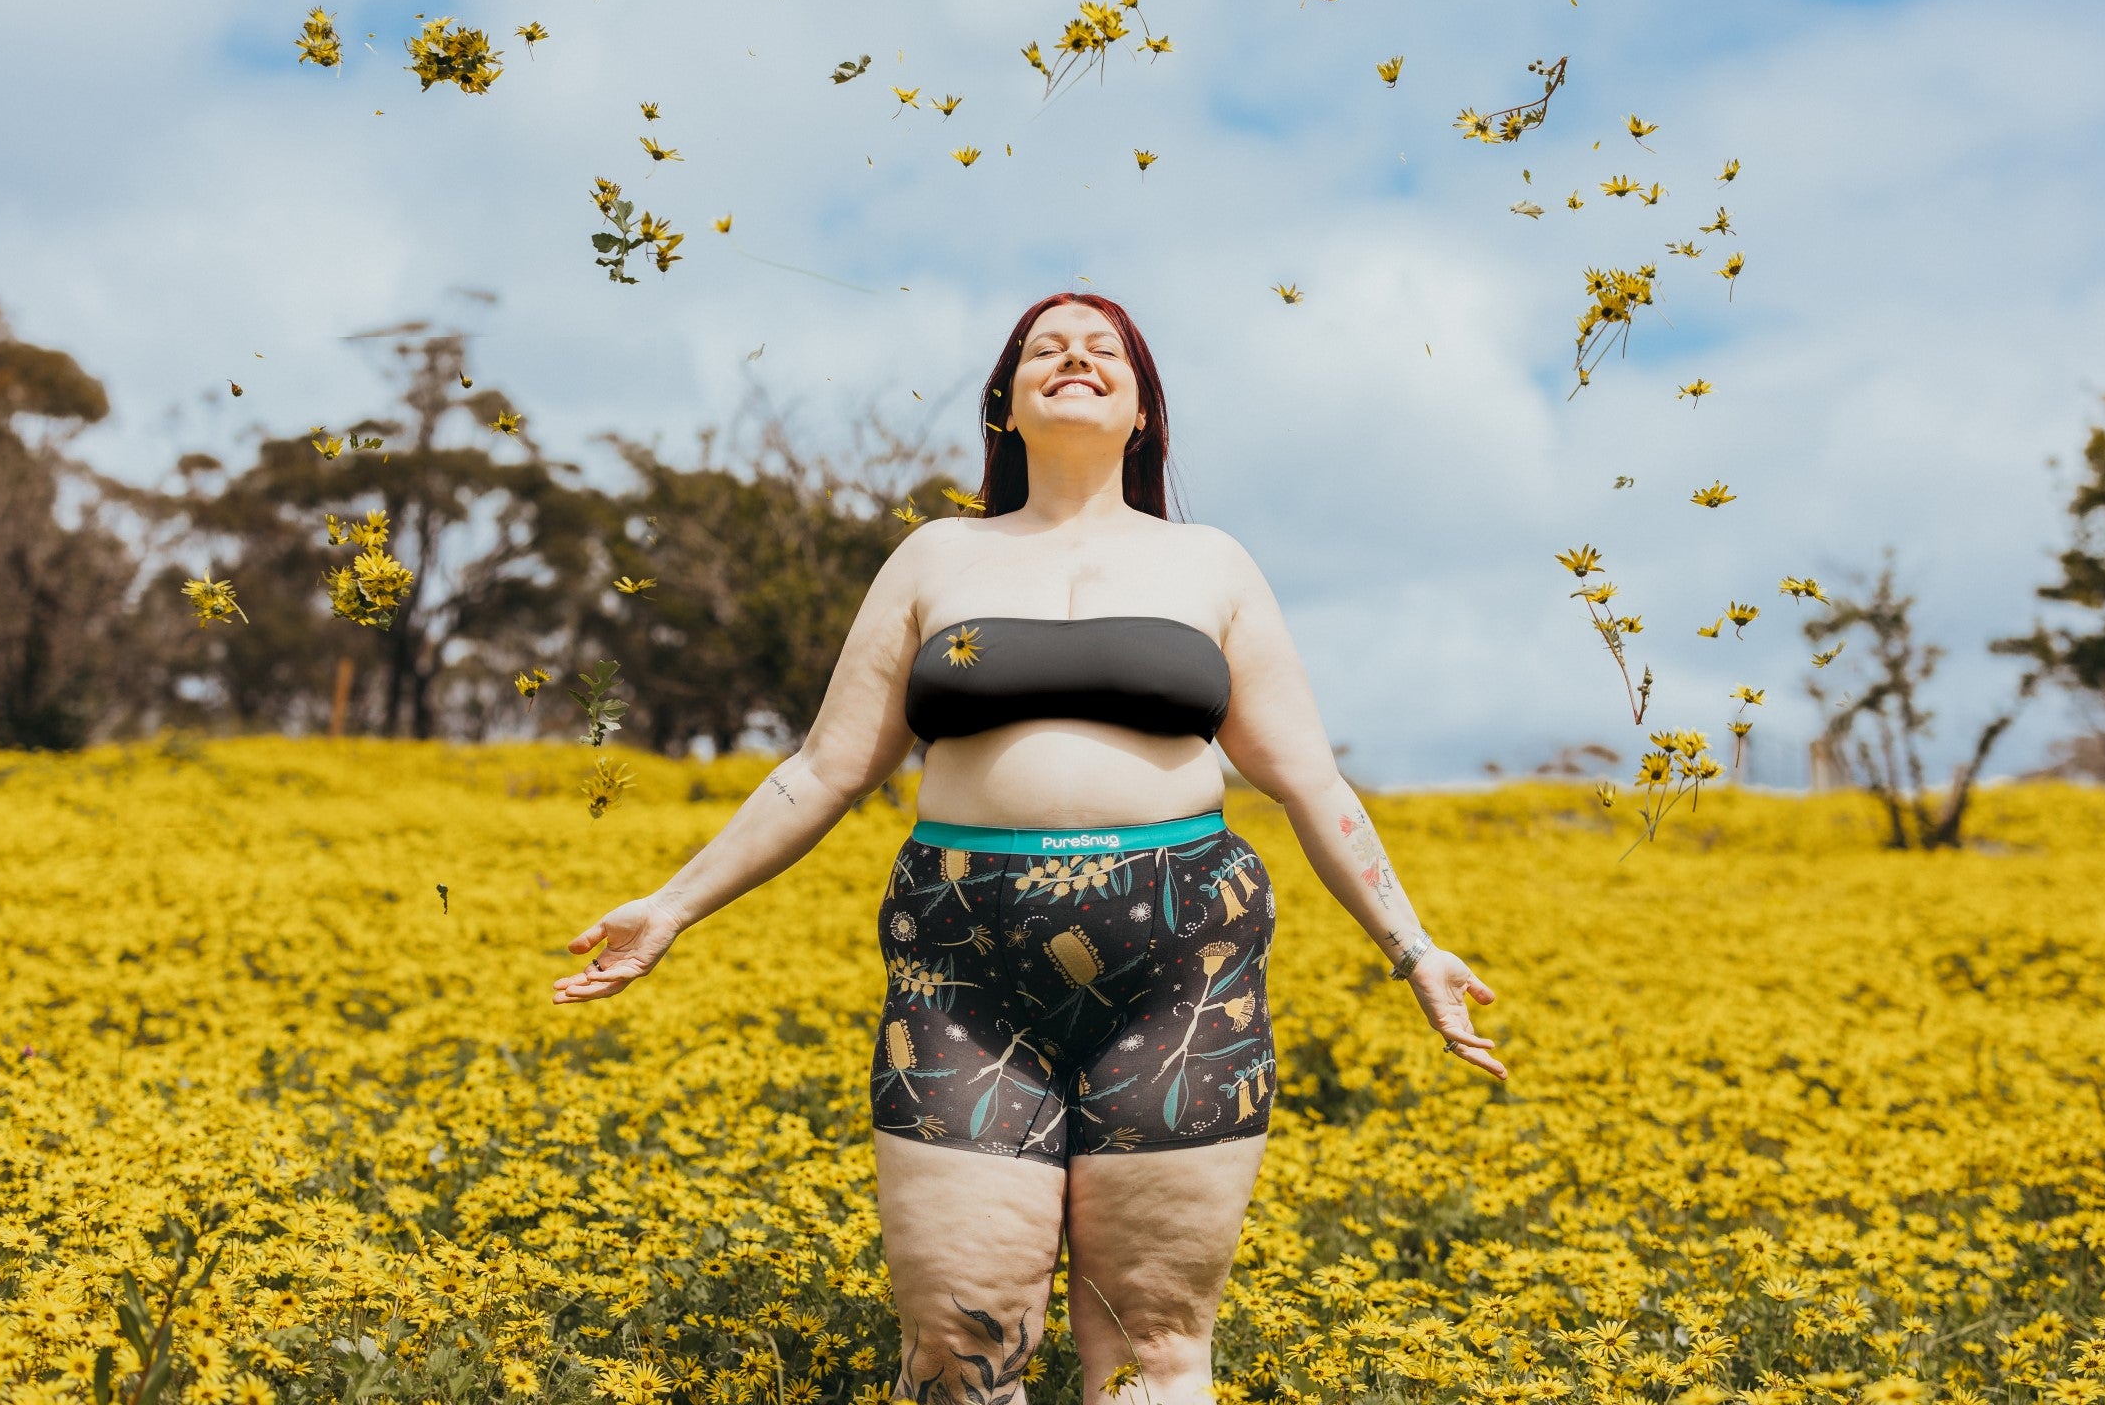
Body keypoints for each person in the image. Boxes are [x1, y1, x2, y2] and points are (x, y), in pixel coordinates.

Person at [553, 292, 1504, 1405]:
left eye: (1105, 350)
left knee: (1153, 1351)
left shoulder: (1212, 564)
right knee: (961, 1351)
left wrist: (1412, 947)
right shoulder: (934, 557)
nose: (1075, 359)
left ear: (1145, 411)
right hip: (964, 975)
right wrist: (671, 905)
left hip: (1183, 979)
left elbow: (1310, 782)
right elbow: (822, 770)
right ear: (1002, 404)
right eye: (1045, 348)